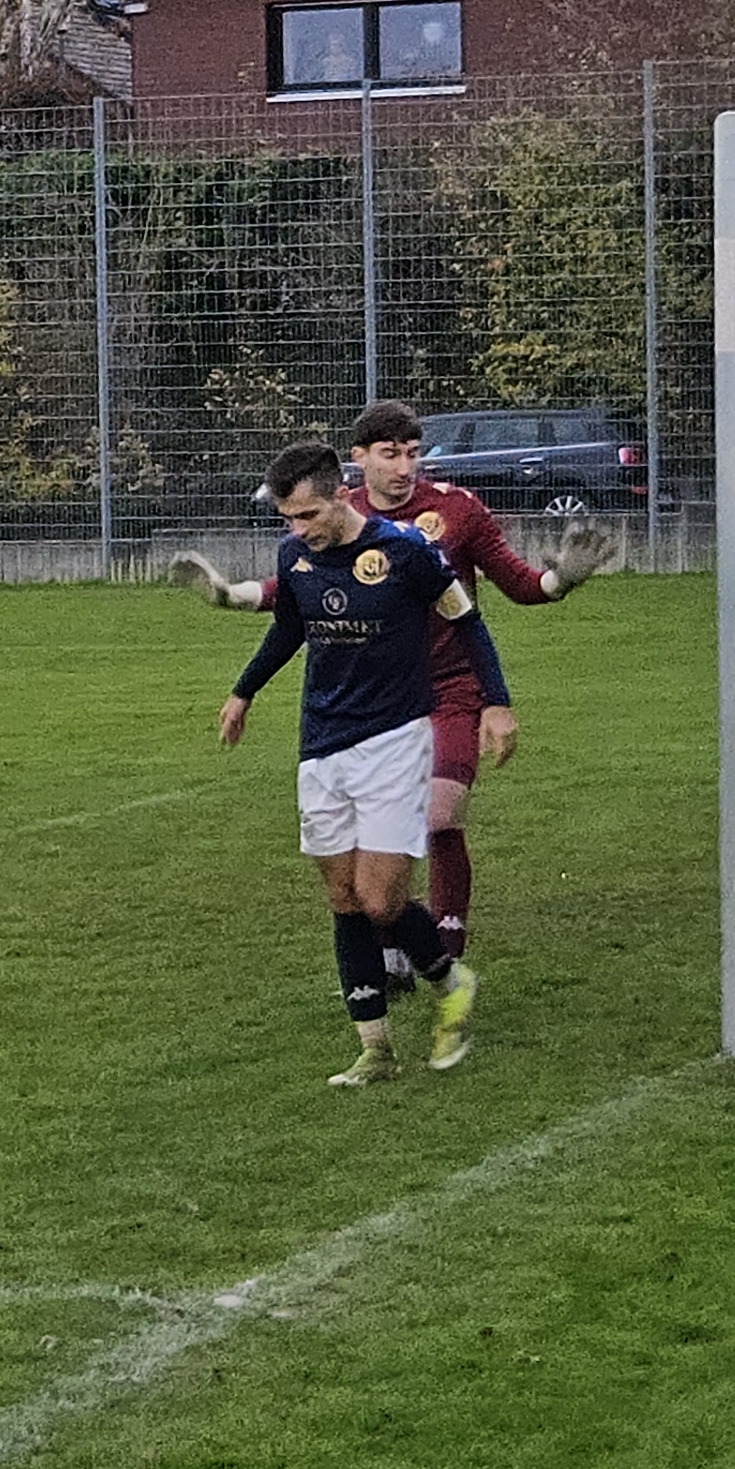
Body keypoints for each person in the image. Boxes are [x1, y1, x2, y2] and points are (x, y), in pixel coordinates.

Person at [177, 398, 612, 962]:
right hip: (377, 703)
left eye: (413, 454)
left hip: (450, 689)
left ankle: (447, 944)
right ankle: (391, 948)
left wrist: (559, 581)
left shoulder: (459, 511)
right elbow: (294, 600)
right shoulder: (333, 511)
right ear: (359, 460)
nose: (405, 468)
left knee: (439, 813)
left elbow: (517, 585)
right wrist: (233, 605)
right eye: (390, 455)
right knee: (364, 844)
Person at [215, 441, 502, 1083]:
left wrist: (496, 703)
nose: (299, 530)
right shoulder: (296, 556)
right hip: (322, 744)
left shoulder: (405, 550)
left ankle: (454, 983)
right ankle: (376, 1050)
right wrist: (244, 690)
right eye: (288, 518)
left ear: (342, 496)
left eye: (309, 515)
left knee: (380, 901)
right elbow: (290, 627)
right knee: (343, 896)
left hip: (396, 743)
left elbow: (467, 622)